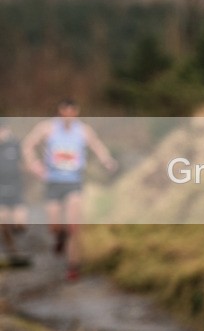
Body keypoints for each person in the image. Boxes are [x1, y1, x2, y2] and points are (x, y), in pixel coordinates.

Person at [22, 99, 117, 280]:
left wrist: (107, 160)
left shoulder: (83, 130)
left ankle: (73, 267)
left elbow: (97, 145)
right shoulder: (47, 128)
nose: (68, 117)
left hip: (74, 182)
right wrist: (34, 164)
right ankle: (60, 237)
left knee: (74, 227)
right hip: (53, 182)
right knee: (54, 226)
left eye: (72, 113)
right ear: (60, 112)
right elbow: (28, 144)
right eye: (65, 113)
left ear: (76, 113)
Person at [0, 119, 28, 261]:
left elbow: (25, 163)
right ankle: (11, 249)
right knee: (3, 222)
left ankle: (19, 242)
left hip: (16, 188)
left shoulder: (16, 145)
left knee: (20, 224)